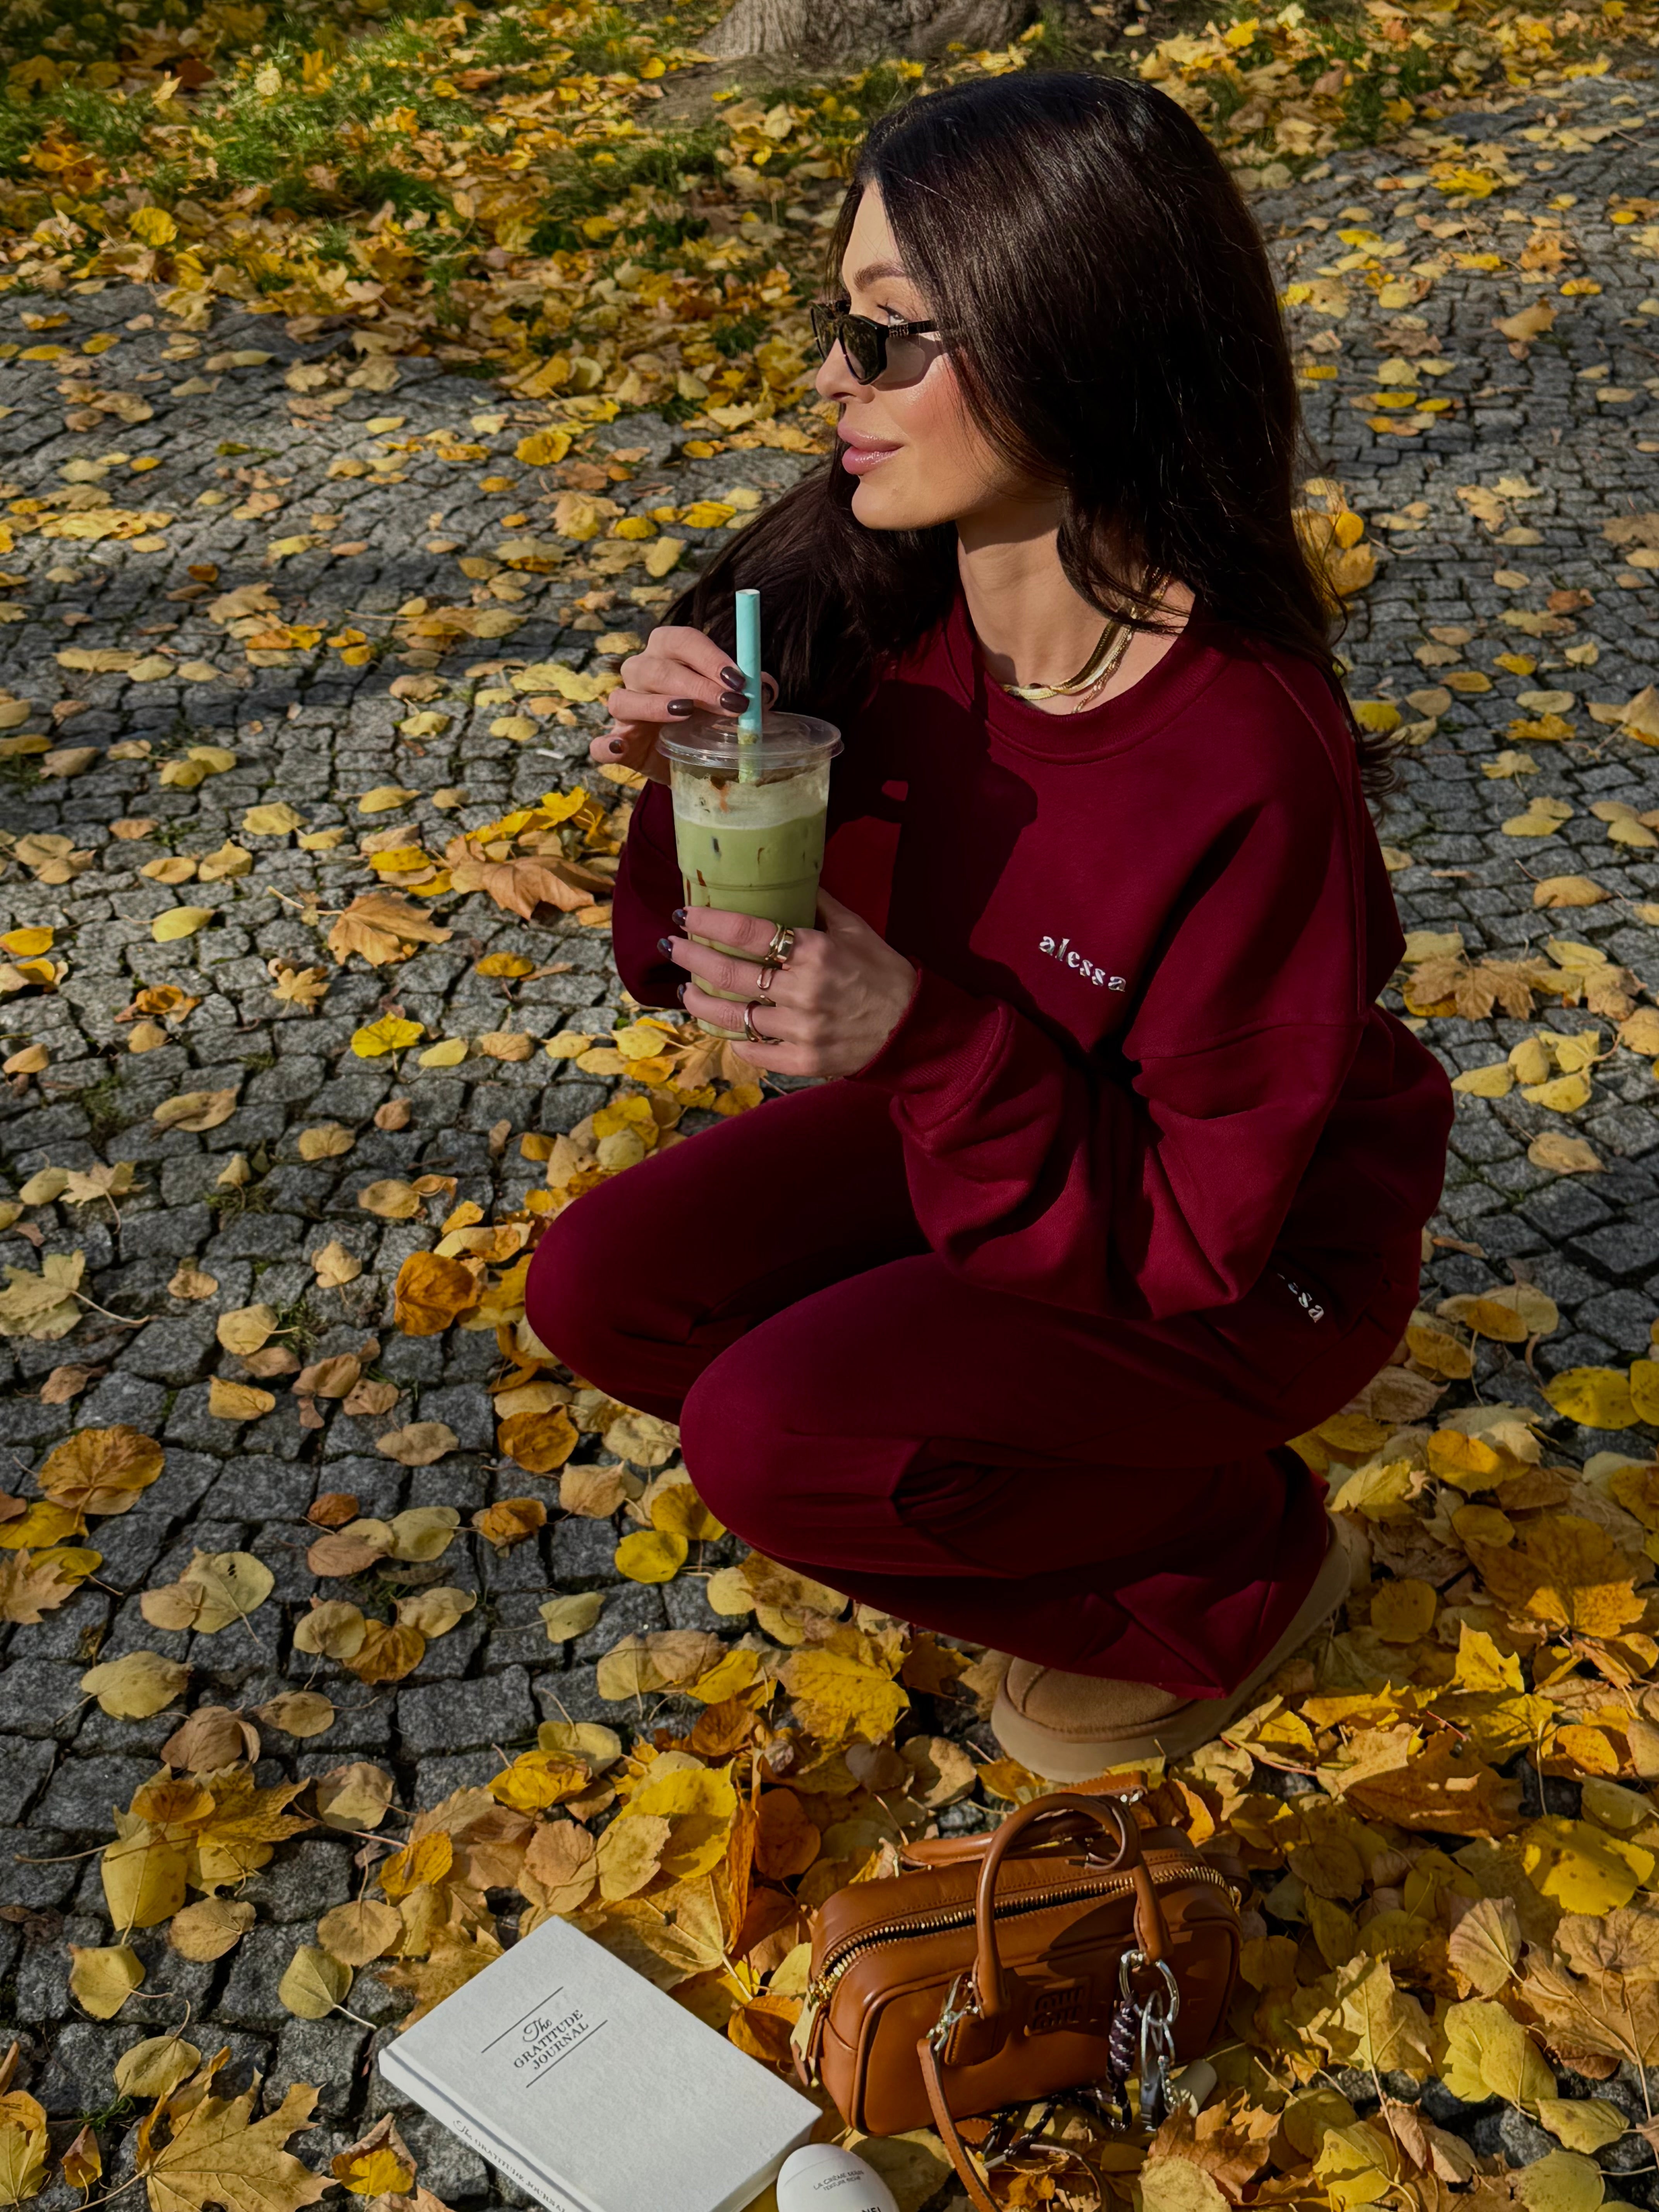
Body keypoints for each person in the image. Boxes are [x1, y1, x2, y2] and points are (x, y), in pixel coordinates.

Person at [524, 69, 1453, 1782]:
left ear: (1069, 333)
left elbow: (1190, 1233)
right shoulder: (857, 594)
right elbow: (704, 961)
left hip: (1245, 1259)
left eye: (888, 335)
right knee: (608, 1288)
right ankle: (1097, 1479)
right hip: (996, 1122)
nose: (833, 378)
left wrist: (920, 1040)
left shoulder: (1247, 751)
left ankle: (1225, 1574)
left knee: (776, 1433)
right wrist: (694, 776)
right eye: (841, 325)